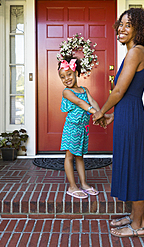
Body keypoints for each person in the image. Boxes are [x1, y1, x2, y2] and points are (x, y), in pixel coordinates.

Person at [93, 8, 144, 237]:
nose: (121, 29)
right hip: (128, 113)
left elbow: (120, 90)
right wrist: (114, 116)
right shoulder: (137, 52)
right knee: (130, 165)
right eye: (120, 24)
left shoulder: (136, 52)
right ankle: (134, 216)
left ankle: (138, 225)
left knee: (134, 169)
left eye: (127, 25)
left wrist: (102, 111)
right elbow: (128, 93)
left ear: (139, 29)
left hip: (130, 113)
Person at [59, 56, 100, 199]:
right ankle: (72, 186)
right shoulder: (67, 92)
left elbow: (92, 101)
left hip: (83, 128)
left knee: (80, 156)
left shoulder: (84, 89)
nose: (66, 79)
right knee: (69, 156)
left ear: (76, 73)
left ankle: (83, 183)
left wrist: (100, 113)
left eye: (69, 74)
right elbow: (80, 103)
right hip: (72, 128)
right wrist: (96, 113)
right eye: (62, 77)